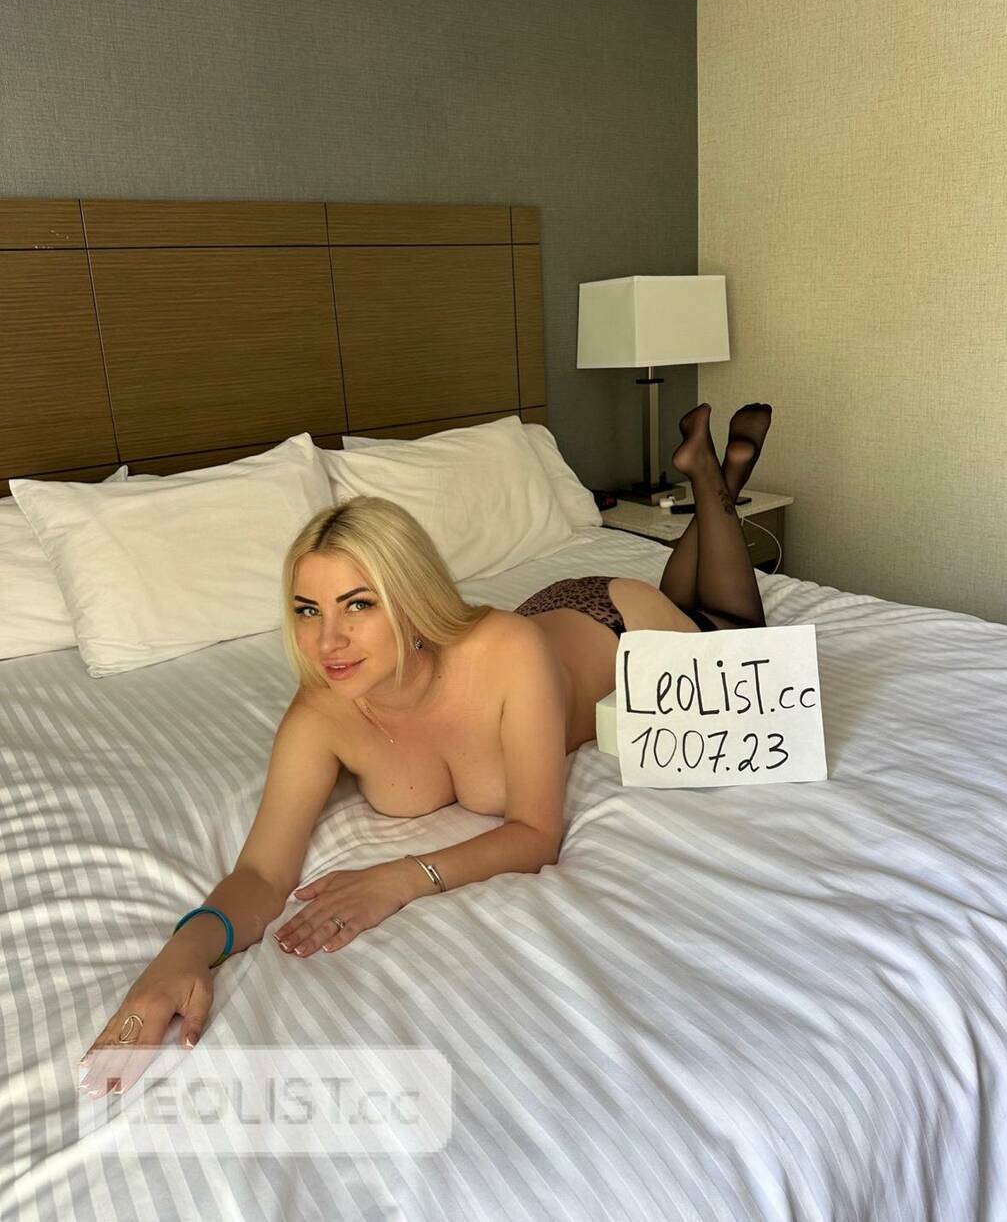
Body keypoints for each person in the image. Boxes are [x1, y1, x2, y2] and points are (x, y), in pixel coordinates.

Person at [78, 400, 771, 1099]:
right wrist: (180, 954)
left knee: (730, 628)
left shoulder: (508, 653)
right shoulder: (320, 714)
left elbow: (536, 833)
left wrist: (402, 877)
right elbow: (261, 871)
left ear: (410, 600)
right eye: (308, 610)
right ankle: (716, 480)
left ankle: (716, 486)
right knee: (706, 607)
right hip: (541, 622)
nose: (327, 642)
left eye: (359, 604)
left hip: (607, 620)